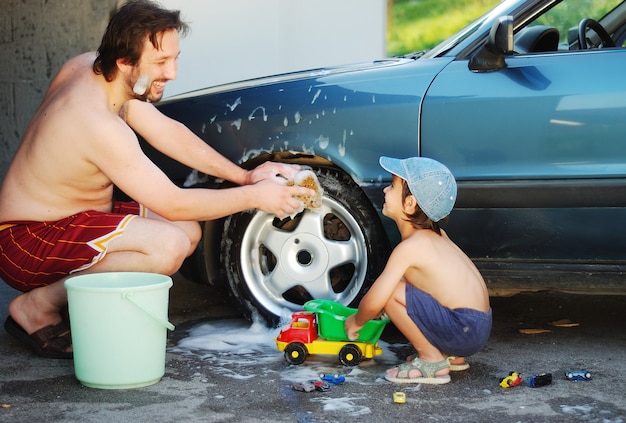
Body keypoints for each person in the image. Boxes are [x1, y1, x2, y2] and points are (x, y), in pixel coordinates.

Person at [0, 0, 314, 359]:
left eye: (174, 58)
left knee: (188, 231)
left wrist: (245, 176)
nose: (174, 73)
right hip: (25, 241)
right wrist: (258, 197)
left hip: (73, 221)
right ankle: (37, 306)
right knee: (167, 246)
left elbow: (168, 132)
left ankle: (84, 300)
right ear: (125, 61)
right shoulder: (94, 122)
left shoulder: (94, 68)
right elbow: (172, 202)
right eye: (162, 62)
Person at [345, 156, 491, 384]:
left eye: (392, 186)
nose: (384, 190)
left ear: (410, 203)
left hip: (464, 329)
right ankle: (448, 354)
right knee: (404, 284)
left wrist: (357, 321)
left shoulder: (410, 248)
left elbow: (375, 300)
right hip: (474, 327)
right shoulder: (438, 237)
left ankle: (431, 359)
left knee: (390, 291)